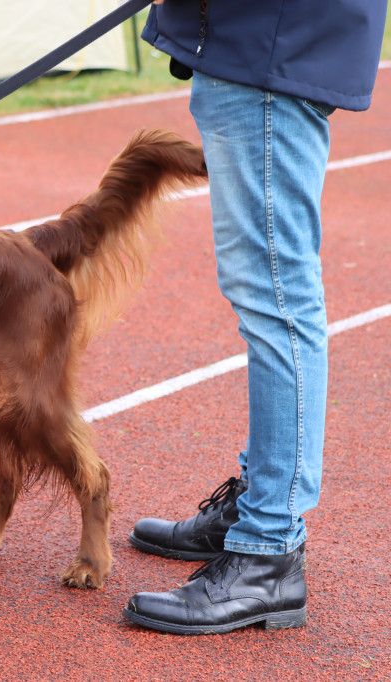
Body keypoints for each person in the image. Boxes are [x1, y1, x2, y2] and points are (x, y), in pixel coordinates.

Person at [122, 0, 387, 634]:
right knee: (269, 295)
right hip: (259, 43)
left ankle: (269, 549)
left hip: (271, 48)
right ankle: (261, 506)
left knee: (276, 300)